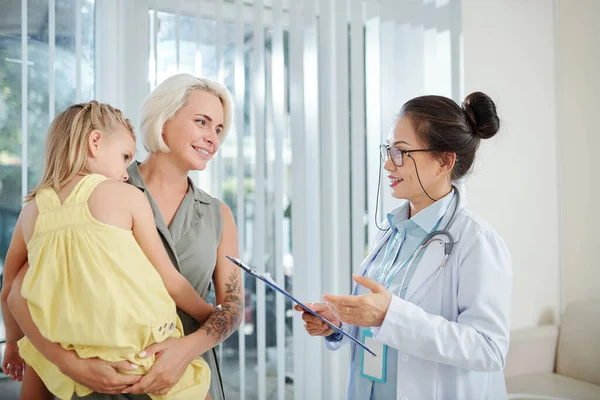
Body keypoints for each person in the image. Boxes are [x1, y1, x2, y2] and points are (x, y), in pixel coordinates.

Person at [5, 74, 243, 400]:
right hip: (89, 380)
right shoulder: (99, 187)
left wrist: (186, 350)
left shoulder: (219, 215)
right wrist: (69, 364)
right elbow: (20, 293)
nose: (213, 138)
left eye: (219, 129)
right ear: (163, 121)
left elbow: (232, 308)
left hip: (182, 379)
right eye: (202, 122)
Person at [296, 92, 512, 399]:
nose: (388, 163)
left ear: (444, 161)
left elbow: (489, 349)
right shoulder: (393, 230)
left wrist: (390, 316)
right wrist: (339, 321)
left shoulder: (477, 241)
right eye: (388, 149)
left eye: (401, 152)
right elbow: (378, 323)